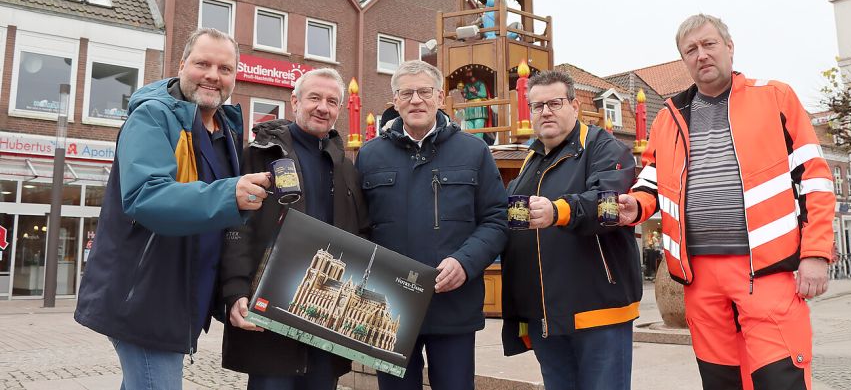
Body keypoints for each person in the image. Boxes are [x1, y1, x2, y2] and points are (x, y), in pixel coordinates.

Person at [617, 14, 835, 390]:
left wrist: (816, 254)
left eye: (709, 44)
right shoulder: (668, 118)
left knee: (780, 378)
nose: (701, 55)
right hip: (699, 277)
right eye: (691, 50)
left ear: (729, 48)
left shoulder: (775, 97)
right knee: (721, 382)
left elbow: (814, 177)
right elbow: (651, 182)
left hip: (766, 270)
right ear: (683, 60)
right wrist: (636, 206)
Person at [75, 28, 271, 389]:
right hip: (146, 298)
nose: (214, 75)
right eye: (203, 63)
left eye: (225, 68)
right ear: (182, 65)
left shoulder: (224, 128)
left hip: (179, 298)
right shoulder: (152, 116)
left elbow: (221, 226)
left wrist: (231, 289)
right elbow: (146, 196)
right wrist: (230, 195)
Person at [355, 60, 508, 390]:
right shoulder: (369, 156)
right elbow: (357, 228)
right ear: (395, 100)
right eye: (406, 92)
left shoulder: (474, 152)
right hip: (388, 312)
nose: (416, 100)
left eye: (424, 91)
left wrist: (465, 263)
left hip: (452, 306)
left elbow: (497, 219)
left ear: (440, 97)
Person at [220, 68, 369, 389]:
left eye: (332, 101)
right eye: (314, 97)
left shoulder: (345, 166)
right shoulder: (258, 155)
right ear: (294, 101)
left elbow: (359, 235)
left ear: (339, 110)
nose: (322, 107)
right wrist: (235, 291)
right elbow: (236, 229)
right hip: (270, 309)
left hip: (325, 312)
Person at [500, 70, 640, 390]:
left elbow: (609, 207)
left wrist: (558, 211)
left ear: (575, 106)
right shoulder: (529, 160)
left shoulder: (607, 148)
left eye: (554, 103)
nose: (546, 111)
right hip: (546, 317)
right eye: (537, 106)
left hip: (598, 313)